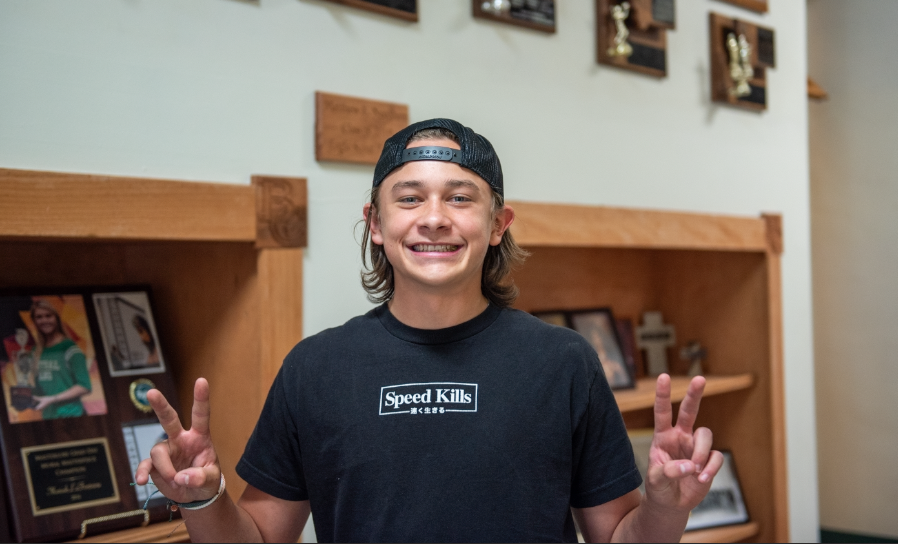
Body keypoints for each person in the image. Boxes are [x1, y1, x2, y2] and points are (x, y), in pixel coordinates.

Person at [136, 119, 723, 542]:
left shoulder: (563, 362)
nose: (435, 217)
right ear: (375, 223)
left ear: (497, 224)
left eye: (461, 198)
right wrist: (202, 500)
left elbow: (618, 538)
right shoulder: (315, 368)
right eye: (409, 197)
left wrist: (667, 508)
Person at [29, 299, 92, 418]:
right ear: (34, 321)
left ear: (56, 318)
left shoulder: (70, 348)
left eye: (48, 316)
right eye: (39, 317)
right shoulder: (35, 352)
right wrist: (25, 397)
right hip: (48, 417)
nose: (44, 320)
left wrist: (52, 399)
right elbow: (40, 389)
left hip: (72, 414)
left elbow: (84, 386)